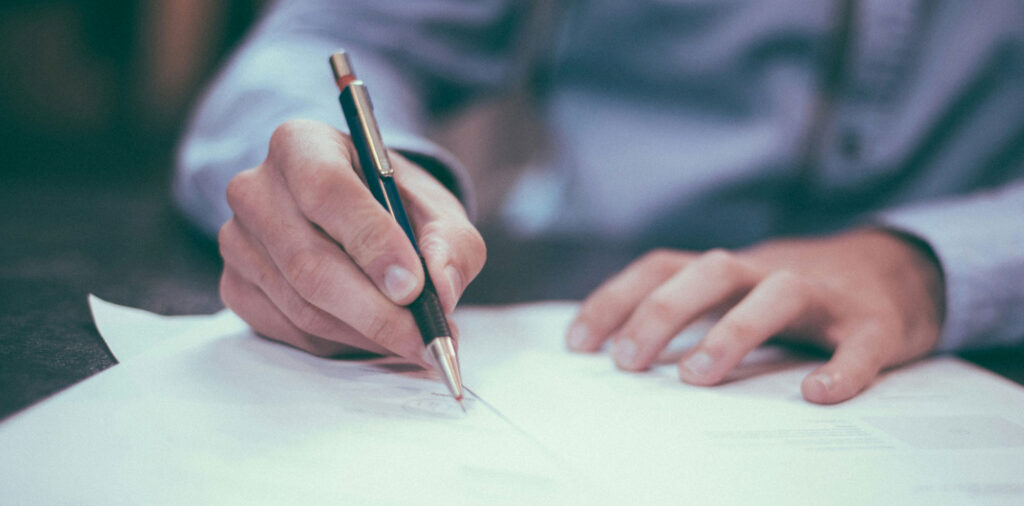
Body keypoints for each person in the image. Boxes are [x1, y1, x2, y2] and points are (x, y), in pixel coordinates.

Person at [174, 0, 1024, 404]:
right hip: (583, 308)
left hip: (973, 343)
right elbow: (326, 39)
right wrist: (329, 194)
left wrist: (929, 264)